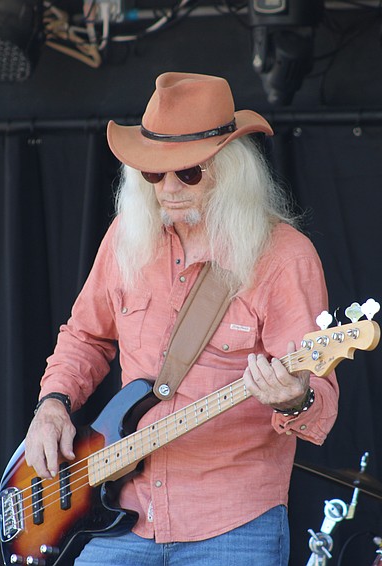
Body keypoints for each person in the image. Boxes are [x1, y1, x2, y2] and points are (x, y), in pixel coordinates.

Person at [24, 71, 339, 565]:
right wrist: (52, 404)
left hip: (232, 522)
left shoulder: (283, 257)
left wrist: (296, 398)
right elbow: (85, 335)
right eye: (154, 174)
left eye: (188, 173)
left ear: (231, 170)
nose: (168, 189)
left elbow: (319, 390)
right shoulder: (127, 236)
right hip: (123, 511)